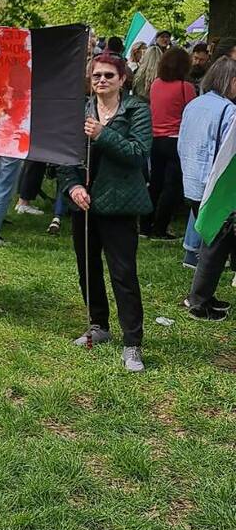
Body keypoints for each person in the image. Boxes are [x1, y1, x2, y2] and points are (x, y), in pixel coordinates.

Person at [59, 51, 152, 372]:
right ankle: (98, 325)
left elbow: (138, 154)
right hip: (85, 204)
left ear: (122, 79)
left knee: (123, 274)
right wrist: (73, 187)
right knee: (88, 268)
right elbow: (67, 159)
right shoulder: (81, 110)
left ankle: (132, 343)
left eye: (109, 76)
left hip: (120, 205)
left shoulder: (136, 109)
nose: (101, 80)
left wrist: (103, 134)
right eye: (96, 75)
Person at [178, 56, 236, 318]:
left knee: (211, 243)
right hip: (213, 187)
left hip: (191, 182)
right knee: (215, 247)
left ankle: (205, 296)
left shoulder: (194, 104)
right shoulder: (229, 111)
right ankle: (198, 303)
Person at [144, 46, 196, 240]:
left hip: (155, 139)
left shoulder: (156, 84)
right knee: (171, 186)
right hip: (175, 140)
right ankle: (160, 228)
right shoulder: (186, 87)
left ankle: (145, 225)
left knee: (155, 183)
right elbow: (192, 113)